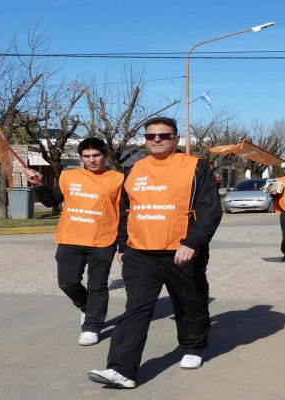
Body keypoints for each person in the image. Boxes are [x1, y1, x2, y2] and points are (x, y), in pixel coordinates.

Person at [88, 117, 222, 389]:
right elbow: (126, 210)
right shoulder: (135, 169)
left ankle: (194, 347)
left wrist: (193, 242)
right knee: (135, 308)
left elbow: (210, 209)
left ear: (176, 138)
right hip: (141, 253)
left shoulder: (195, 166)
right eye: (151, 136)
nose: (157, 140)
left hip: (182, 251)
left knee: (190, 302)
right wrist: (123, 245)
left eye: (163, 135)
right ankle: (121, 370)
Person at [24, 138, 123, 346]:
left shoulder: (118, 179)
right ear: (81, 157)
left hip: (102, 241)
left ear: (105, 155)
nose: (91, 160)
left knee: (98, 286)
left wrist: (123, 246)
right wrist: (39, 184)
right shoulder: (68, 176)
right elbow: (52, 201)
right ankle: (88, 307)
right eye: (86, 156)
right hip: (70, 239)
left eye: (96, 155)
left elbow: (124, 215)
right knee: (67, 282)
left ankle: (92, 326)